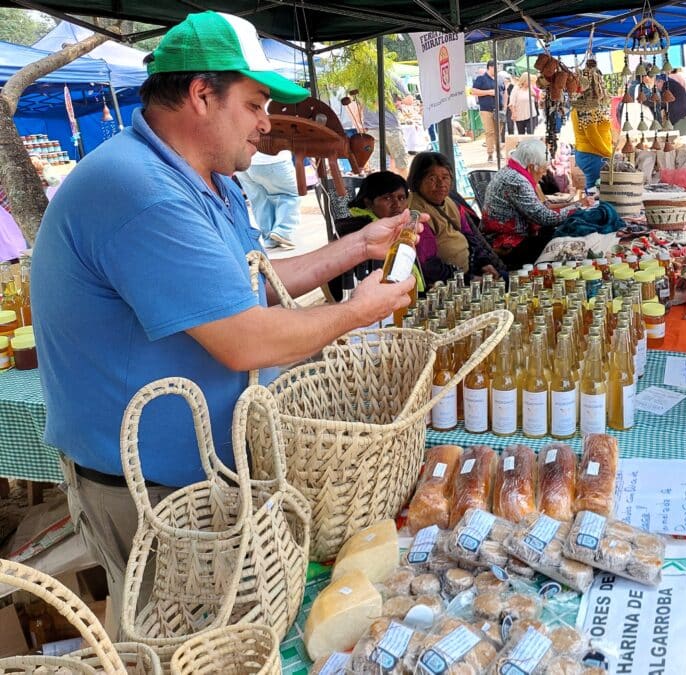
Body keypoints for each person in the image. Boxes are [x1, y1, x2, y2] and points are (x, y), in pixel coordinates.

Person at [29, 11, 420, 608]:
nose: (268, 124)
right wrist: (358, 311)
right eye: (256, 103)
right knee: (184, 645)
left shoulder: (208, 180)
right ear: (201, 94)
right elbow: (246, 338)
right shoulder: (140, 191)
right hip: (154, 496)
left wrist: (356, 249)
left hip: (212, 473)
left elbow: (247, 287)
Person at [481, 139, 580, 269]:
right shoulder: (516, 180)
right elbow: (545, 217)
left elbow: (542, 208)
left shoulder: (511, 171)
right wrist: (579, 208)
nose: (545, 174)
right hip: (506, 243)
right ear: (532, 166)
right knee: (563, 244)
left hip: (507, 236)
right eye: (544, 169)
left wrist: (576, 205)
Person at [407, 151, 503, 285]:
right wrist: (467, 280)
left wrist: (484, 263)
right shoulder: (417, 214)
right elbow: (428, 266)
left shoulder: (451, 203)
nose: (441, 184)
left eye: (445, 177)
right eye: (432, 179)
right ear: (417, 181)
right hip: (445, 284)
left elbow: (470, 236)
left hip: (469, 271)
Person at [235, 149, 300, 249]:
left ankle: (269, 239)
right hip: (272, 160)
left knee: (259, 201)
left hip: (243, 163)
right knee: (290, 194)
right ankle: (283, 230)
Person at [472, 60, 503, 163]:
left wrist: (505, 105)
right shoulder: (481, 79)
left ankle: (499, 152)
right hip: (486, 109)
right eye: (496, 67)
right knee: (489, 132)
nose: (497, 69)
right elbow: (473, 91)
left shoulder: (499, 79)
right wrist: (488, 92)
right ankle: (490, 154)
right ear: (490, 67)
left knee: (498, 132)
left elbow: (504, 91)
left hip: (499, 109)